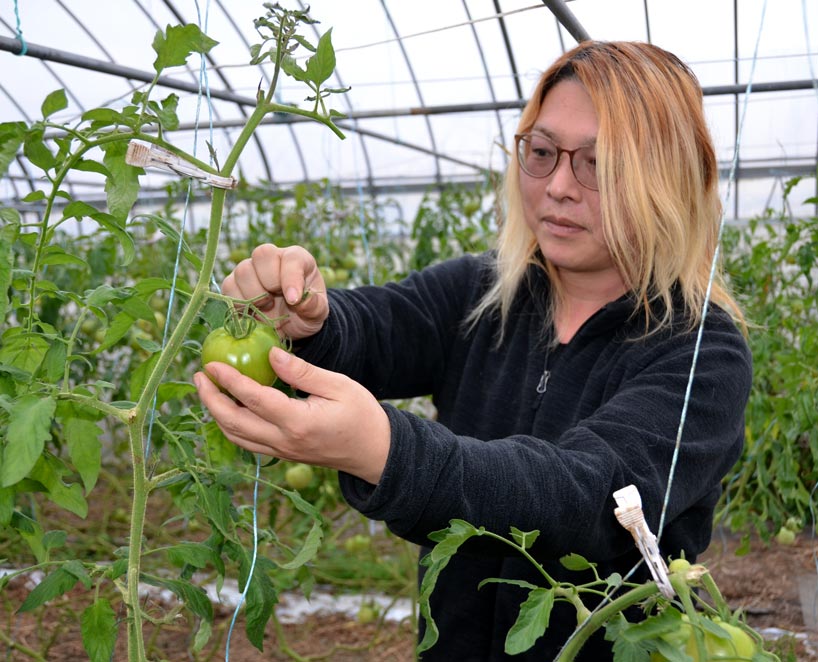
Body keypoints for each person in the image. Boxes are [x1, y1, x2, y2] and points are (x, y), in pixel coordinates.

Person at [195, 40, 752, 660]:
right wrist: (309, 319)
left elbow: (589, 498)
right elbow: (382, 328)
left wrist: (388, 451)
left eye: (598, 163)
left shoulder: (701, 351)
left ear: (667, 180)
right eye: (542, 153)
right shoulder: (483, 294)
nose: (560, 186)